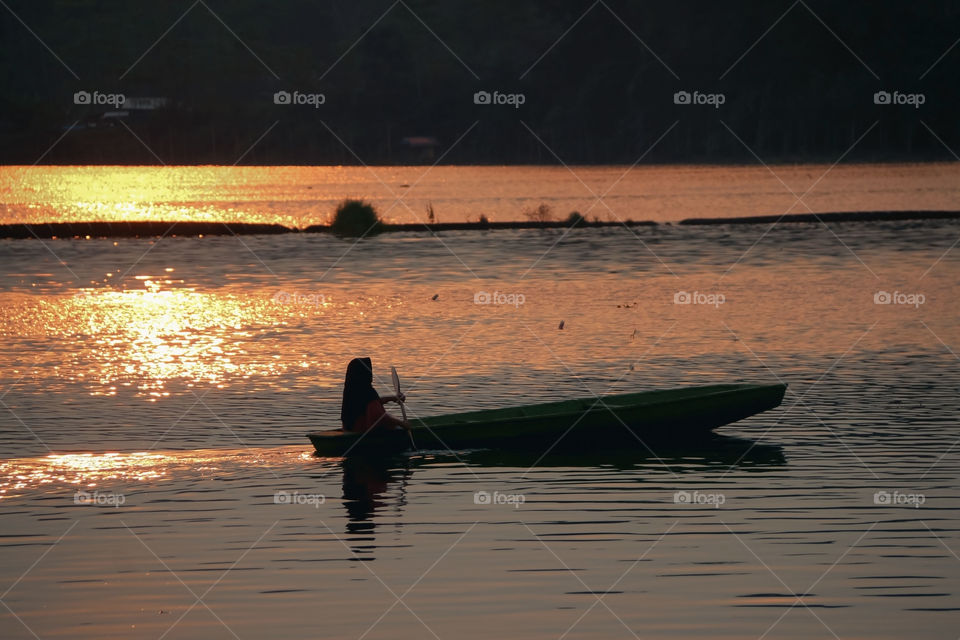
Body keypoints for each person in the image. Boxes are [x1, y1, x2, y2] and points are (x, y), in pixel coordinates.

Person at [340, 357, 408, 433]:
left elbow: (372, 402)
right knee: (399, 429)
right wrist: (402, 423)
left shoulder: (351, 388)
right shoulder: (367, 391)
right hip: (362, 433)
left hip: (349, 430)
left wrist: (393, 398)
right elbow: (379, 417)